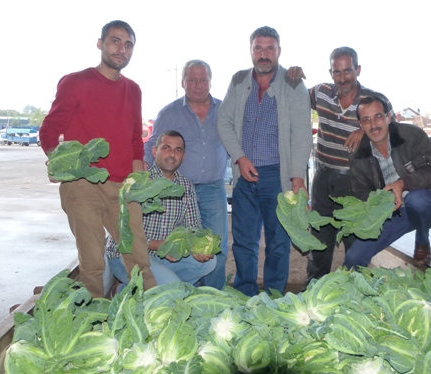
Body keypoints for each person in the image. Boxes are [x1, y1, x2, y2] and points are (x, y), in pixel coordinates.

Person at [39, 20, 156, 297]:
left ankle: (152, 313)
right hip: (83, 186)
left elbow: (134, 140)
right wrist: (59, 163)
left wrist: (136, 181)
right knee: (92, 264)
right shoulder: (75, 82)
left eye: (128, 45)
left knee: (139, 260)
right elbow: (50, 129)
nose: (122, 49)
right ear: (100, 43)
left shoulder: (133, 90)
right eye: (115, 41)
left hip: (123, 189)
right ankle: (92, 320)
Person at [286, 47, 397, 284]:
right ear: (330, 72)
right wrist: (292, 77)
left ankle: (355, 294)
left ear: (358, 70)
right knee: (319, 242)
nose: (342, 77)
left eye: (347, 71)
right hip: (323, 179)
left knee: (356, 244)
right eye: (337, 72)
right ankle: (314, 293)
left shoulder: (374, 100)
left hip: (357, 182)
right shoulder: (321, 93)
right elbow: (295, 97)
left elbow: (393, 126)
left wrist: (364, 130)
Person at [217, 26, 311, 296]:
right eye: (258, 48)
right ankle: (245, 295)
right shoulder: (238, 81)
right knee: (243, 242)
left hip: (278, 177)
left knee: (278, 243)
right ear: (251, 51)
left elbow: (302, 133)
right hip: (244, 176)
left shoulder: (293, 84)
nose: (264, 54)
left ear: (279, 51)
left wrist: (297, 177)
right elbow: (224, 122)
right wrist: (240, 158)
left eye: (270, 48)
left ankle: (274, 298)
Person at [143, 60, 229, 289]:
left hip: (213, 189)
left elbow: (235, 142)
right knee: (178, 247)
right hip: (178, 191)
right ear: (183, 82)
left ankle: (211, 297)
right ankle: (181, 291)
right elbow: (152, 145)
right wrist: (143, 175)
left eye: (203, 80)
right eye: (192, 80)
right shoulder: (169, 112)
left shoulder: (224, 110)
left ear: (210, 82)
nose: (198, 85)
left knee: (217, 248)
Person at [343, 96, 431, 269]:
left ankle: (422, 241)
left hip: (428, 206)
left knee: (417, 199)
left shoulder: (411, 135)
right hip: (393, 213)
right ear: (360, 125)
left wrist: (403, 184)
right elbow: (363, 195)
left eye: (378, 117)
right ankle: (352, 285)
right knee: (354, 256)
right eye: (366, 120)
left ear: (388, 117)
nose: (374, 125)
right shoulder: (358, 157)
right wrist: (380, 206)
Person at [106, 130, 216, 287]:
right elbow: (122, 230)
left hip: (165, 256)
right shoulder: (138, 181)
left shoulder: (186, 186)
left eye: (178, 150)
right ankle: (157, 287)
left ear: (183, 156)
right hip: (128, 255)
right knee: (170, 284)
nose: (172, 154)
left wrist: (197, 245)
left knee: (209, 263)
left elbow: (193, 226)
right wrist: (157, 245)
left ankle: (134, 290)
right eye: (166, 148)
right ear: (154, 151)